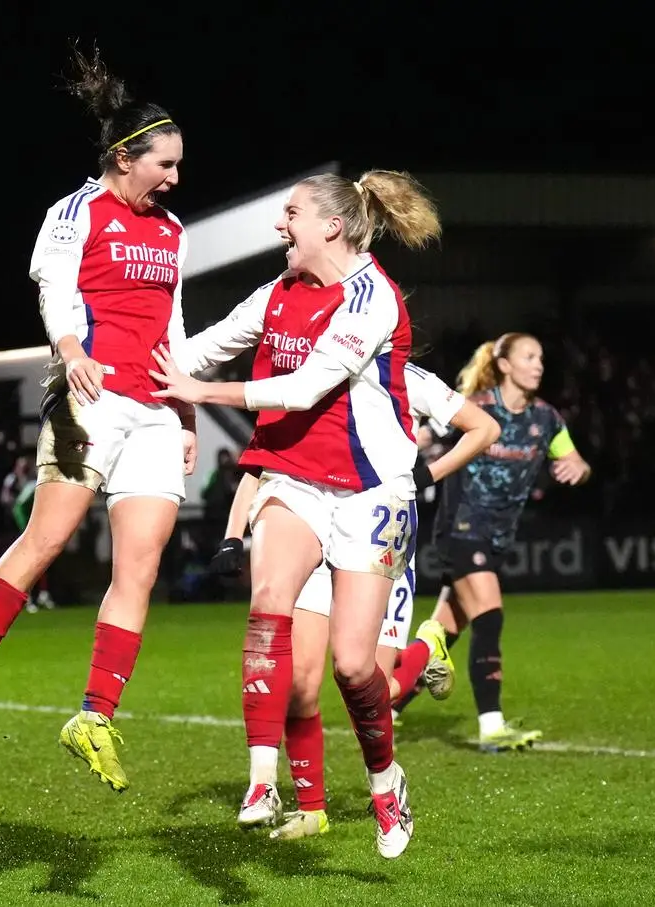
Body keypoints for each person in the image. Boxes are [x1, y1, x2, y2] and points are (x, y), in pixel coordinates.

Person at [150, 168, 440, 859]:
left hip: (373, 490)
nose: (279, 225)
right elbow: (198, 348)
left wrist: (201, 393)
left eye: (290, 213)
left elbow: (309, 386)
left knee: (350, 666)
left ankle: (383, 779)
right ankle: (260, 780)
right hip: (298, 483)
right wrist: (112, 361)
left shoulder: (372, 298)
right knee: (268, 597)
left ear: (329, 227)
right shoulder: (276, 292)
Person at [0, 47, 196, 794]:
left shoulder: (171, 231)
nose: (175, 178)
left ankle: (94, 716)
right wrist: (72, 348)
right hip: (89, 397)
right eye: (165, 164)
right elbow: (54, 284)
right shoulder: (76, 211)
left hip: (150, 410)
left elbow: (173, 323)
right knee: (47, 538)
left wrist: (183, 410)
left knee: (139, 566)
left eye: (178, 165)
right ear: (125, 157)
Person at [208, 362, 501, 841]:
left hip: (375, 536)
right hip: (311, 523)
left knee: (371, 684)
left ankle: (427, 648)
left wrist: (426, 475)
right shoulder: (303, 371)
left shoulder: (405, 376)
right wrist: (233, 535)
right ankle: (311, 808)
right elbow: (261, 461)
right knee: (301, 684)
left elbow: (484, 428)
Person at [397, 332, 592, 753]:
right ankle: (492, 726)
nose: (538, 364)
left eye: (541, 357)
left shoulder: (546, 419)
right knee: (490, 616)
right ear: (504, 364)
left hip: (498, 537)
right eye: (529, 356)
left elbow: (573, 459)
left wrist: (579, 465)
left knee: (445, 633)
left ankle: (390, 702)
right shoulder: (477, 408)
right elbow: (422, 438)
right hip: (462, 528)